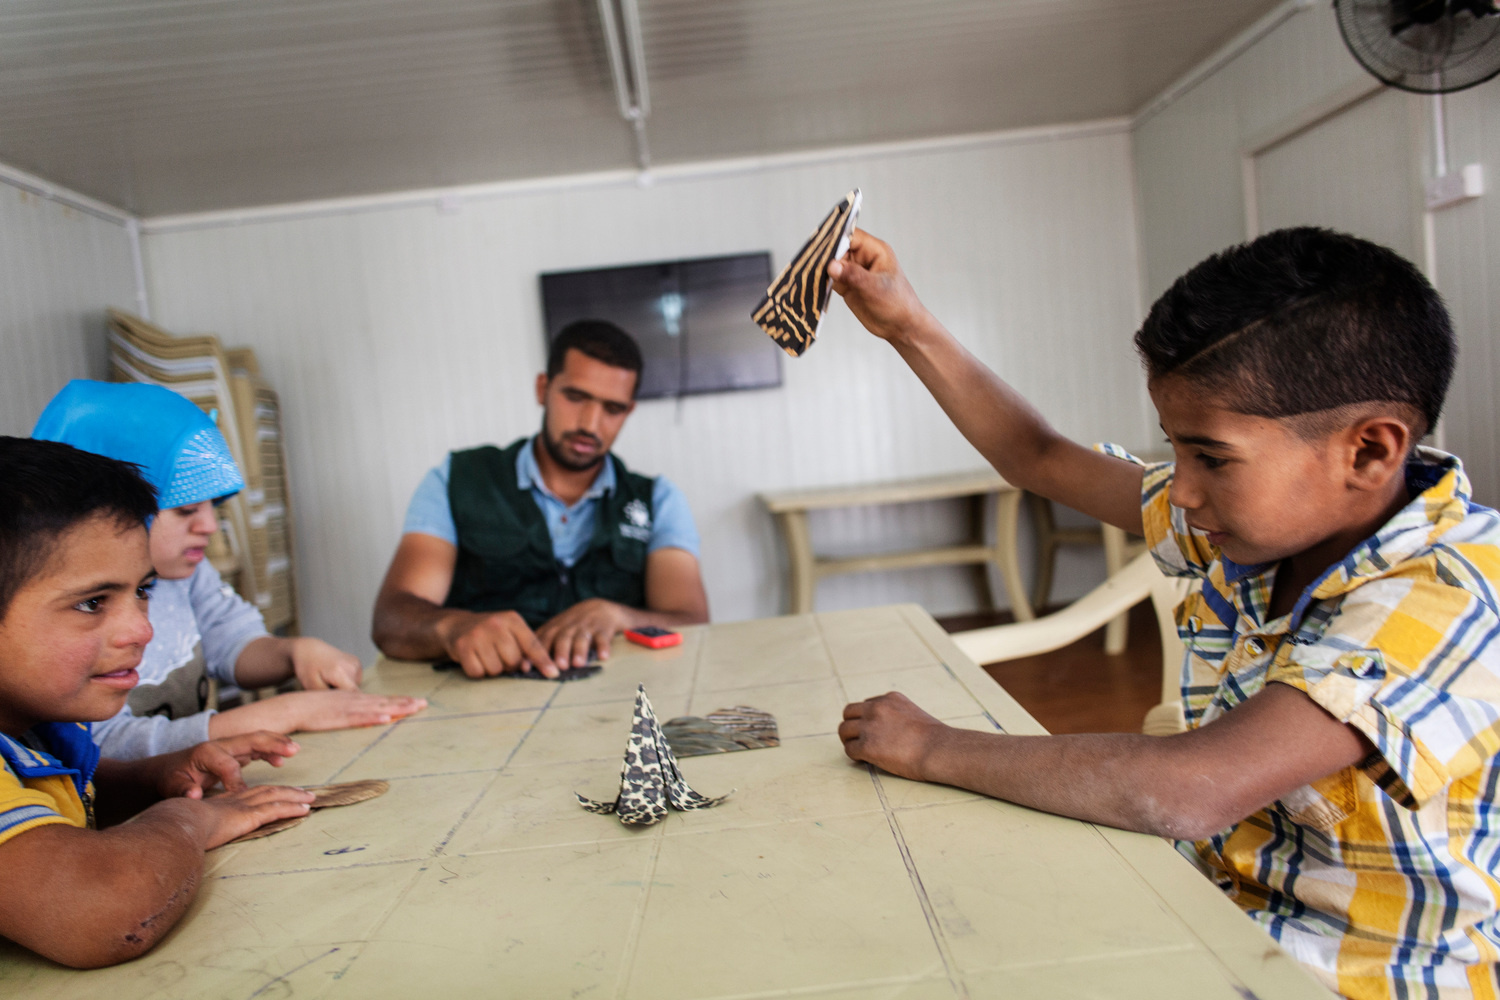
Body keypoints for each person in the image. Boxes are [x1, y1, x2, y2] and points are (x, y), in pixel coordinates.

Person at [833, 226, 1500, 998]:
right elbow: (1039, 459)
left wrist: (929, 748)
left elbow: (1188, 788)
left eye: (1210, 457)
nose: (1180, 491)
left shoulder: (1450, 592)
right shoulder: (1272, 524)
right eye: (1174, 451)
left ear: (1369, 453)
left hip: (1368, 977)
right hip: (1222, 913)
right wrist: (907, 322)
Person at [0, 436, 315, 967]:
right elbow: (103, 909)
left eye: (143, 590)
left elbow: (52, 810)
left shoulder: (36, 727)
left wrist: (152, 779)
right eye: (92, 602)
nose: (141, 629)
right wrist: (187, 822)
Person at [32, 381, 425, 759]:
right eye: (186, 510)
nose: (208, 525)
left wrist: (294, 653)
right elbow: (108, 749)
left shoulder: (186, 574)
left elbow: (231, 641)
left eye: (212, 507)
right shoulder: (72, 609)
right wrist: (286, 713)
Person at [373, 319, 708, 679]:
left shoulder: (657, 499)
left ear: (629, 411)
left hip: (621, 704)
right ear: (542, 389)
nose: (590, 424)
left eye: (612, 408)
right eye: (576, 397)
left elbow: (692, 622)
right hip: (482, 706)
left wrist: (621, 616)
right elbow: (392, 618)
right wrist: (453, 627)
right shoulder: (457, 479)